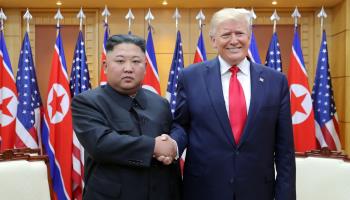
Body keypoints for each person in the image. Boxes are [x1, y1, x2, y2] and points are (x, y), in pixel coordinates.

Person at [170, 8, 296, 200]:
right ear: (213, 40)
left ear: (249, 36)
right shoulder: (190, 77)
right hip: (203, 189)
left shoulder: (276, 81)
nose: (234, 40)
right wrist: (172, 145)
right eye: (226, 34)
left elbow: (285, 149)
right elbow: (182, 126)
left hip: (257, 191)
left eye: (239, 33)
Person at [72, 34, 181, 200]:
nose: (128, 68)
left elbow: (170, 140)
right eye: (120, 61)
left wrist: (171, 148)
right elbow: (100, 144)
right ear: (105, 66)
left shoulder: (160, 103)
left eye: (136, 62)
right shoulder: (87, 102)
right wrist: (153, 147)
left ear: (145, 67)